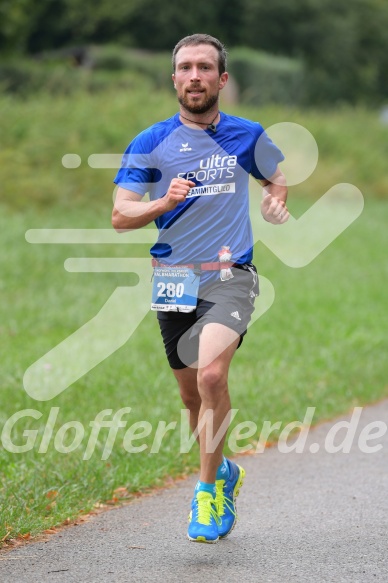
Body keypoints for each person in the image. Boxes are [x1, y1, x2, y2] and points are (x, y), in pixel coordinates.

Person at [112, 33, 289, 544]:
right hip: (173, 279)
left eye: (205, 68)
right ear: (174, 79)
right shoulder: (150, 142)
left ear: (222, 79)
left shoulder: (248, 135)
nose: (195, 76)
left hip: (231, 275)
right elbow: (121, 215)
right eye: (186, 67)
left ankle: (208, 491)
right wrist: (160, 205)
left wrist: (274, 201)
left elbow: (276, 176)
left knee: (212, 377)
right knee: (191, 397)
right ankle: (226, 470)